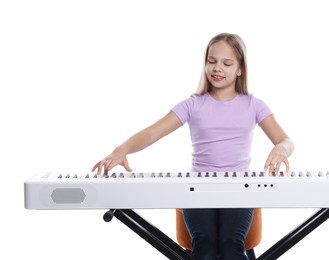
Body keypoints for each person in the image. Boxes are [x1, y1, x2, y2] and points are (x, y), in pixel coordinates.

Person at [92, 33, 294, 260]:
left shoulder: (254, 105)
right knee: (205, 247)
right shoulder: (193, 104)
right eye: (211, 61)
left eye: (227, 63)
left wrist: (280, 149)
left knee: (231, 247)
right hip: (196, 189)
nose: (217, 68)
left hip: (240, 189)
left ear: (240, 69)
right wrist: (121, 150)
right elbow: (151, 133)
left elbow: (285, 140)